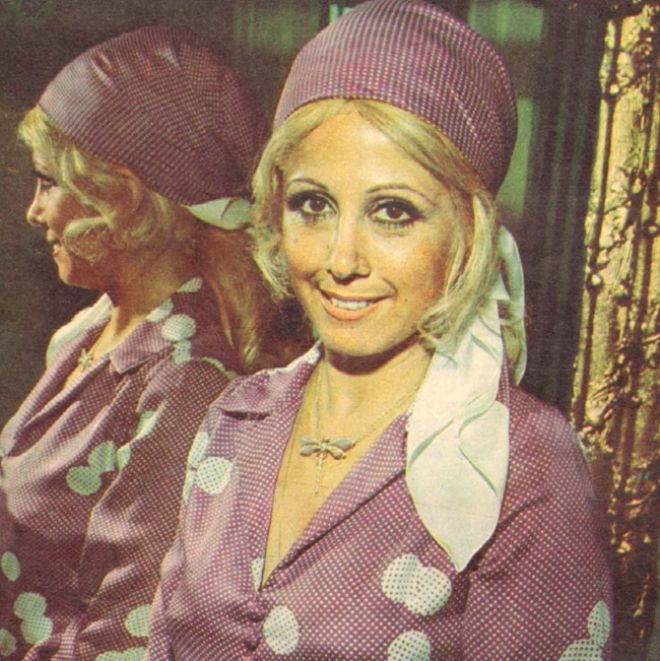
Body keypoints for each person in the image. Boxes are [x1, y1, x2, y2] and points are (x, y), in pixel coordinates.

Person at [147, 2, 613, 659]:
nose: (341, 260)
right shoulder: (235, 419)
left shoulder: (523, 465)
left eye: (393, 212)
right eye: (313, 204)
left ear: (469, 232)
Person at [0, 25, 299, 660]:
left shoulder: (188, 379)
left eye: (48, 183)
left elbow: (128, 637)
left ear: (122, 199)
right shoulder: (95, 328)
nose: (33, 211)